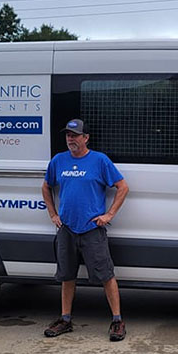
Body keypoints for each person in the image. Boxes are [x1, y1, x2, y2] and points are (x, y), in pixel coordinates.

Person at [41, 119, 130, 341]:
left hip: (92, 229)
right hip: (67, 228)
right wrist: (53, 214)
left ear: (86, 138)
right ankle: (65, 319)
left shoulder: (99, 160)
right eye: (68, 135)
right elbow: (46, 186)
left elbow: (122, 187)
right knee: (66, 276)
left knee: (106, 275)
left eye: (75, 135)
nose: (71, 139)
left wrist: (109, 215)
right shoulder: (58, 161)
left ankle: (117, 321)